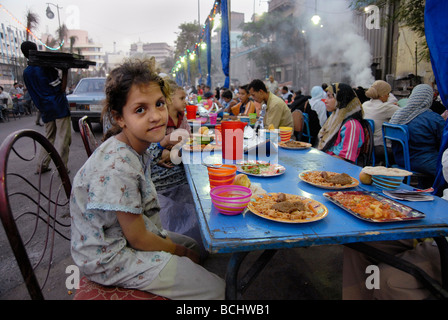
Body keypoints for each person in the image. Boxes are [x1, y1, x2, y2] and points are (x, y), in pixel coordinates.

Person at [70, 58, 225, 300]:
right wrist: (179, 252)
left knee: (197, 247)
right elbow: (138, 238)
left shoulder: (136, 147)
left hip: (127, 233)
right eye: (140, 109)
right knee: (218, 289)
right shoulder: (117, 165)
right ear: (119, 117)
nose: (156, 116)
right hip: (110, 256)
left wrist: (184, 252)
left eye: (160, 104)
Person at [21, 41, 72, 173]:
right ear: (36, 51)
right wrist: (65, 71)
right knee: (63, 138)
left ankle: (41, 165)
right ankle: (62, 169)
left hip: (44, 109)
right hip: (59, 106)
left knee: (48, 138)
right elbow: (61, 88)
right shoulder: (45, 67)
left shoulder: (26, 73)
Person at [389, 84, 445, 187]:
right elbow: (444, 141)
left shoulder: (398, 114)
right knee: (445, 166)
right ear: (428, 99)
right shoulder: (433, 118)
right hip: (425, 163)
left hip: (400, 160)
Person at [317, 83, 365, 163]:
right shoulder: (334, 118)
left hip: (338, 169)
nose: (325, 101)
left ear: (341, 99)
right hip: (326, 162)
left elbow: (344, 159)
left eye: (330, 97)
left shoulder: (351, 126)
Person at [362, 80, 400, 165]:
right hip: (379, 147)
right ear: (382, 95)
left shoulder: (365, 104)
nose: (389, 96)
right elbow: (403, 112)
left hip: (366, 146)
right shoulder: (386, 107)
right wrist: (394, 105)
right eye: (388, 93)